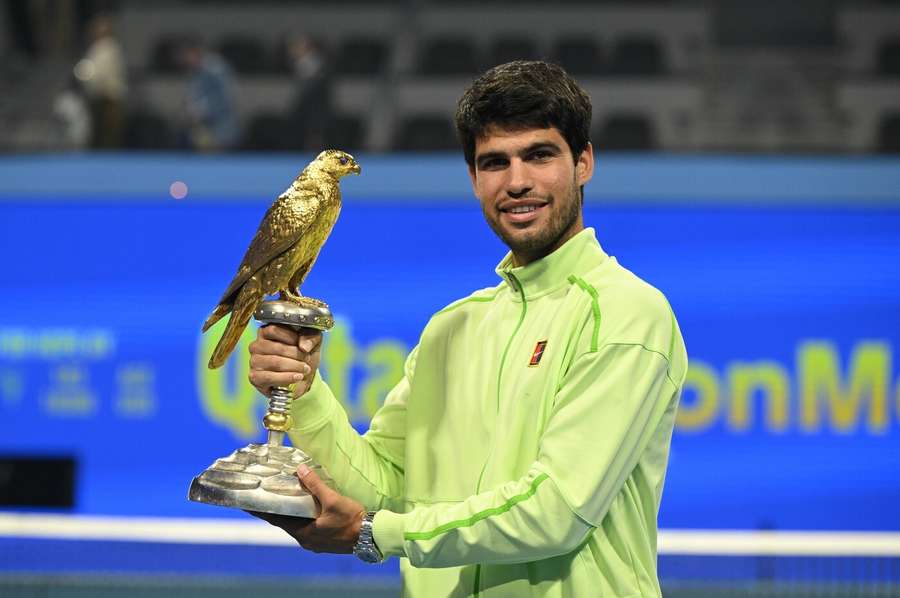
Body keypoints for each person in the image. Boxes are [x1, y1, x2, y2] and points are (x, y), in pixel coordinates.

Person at [247, 61, 688, 597]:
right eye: (495, 162)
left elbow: (556, 512)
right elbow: (383, 487)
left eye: (539, 155)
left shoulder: (626, 313)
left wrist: (374, 532)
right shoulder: (451, 329)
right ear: (475, 179)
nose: (517, 181)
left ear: (583, 163)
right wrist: (304, 391)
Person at [178, 37, 239, 152]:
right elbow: (192, 98)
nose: (184, 60)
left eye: (186, 55)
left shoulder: (216, 68)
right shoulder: (192, 71)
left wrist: (202, 110)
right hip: (201, 131)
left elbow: (227, 98)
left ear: (194, 52)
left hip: (222, 129)